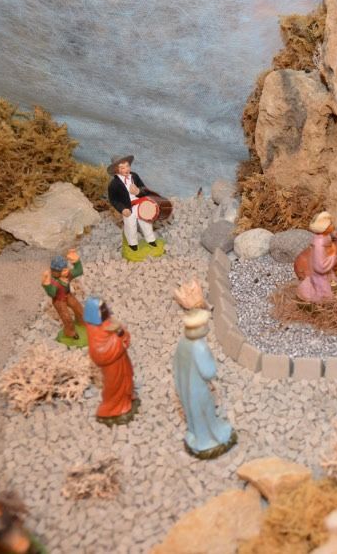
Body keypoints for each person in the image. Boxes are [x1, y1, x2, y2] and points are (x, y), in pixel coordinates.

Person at [172, 294, 237, 459]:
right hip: (198, 388)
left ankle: (198, 435)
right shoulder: (199, 347)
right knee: (204, 411)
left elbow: (176, 365)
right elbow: (208, 371)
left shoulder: (183, 342)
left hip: (186, 387)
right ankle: (208, 439)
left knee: (193, 413)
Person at [84, 297, 137, 425]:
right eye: (101, 309)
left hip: (121, 360)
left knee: (125, 379)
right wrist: (118, 339)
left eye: (104, 308)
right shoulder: (94, 331)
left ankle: (126, 401)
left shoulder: (108, 322)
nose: (105, 310)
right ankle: (110, 411)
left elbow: (121, 333)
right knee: (114, 386)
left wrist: (122, 333)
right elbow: (99, 353)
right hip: (112, 366)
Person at [106, 155, 161, 254]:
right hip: (128, 208)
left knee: (146, 222)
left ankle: (151, 240)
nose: (126, 169)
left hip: (140, 204)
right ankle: (132, 244)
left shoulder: (134, 176)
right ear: (116, 170)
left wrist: (138, 191)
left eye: (127, 166)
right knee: (130, 226)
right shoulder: (114, 184)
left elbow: (144, 189)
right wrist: (122, 209)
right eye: (122, 167)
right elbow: (113, 200)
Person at [41, 248, 84, 345]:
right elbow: (52, 294)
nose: (65, 271)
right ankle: (70, 332)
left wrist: (76, 261)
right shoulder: (53, 281)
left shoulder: (67, 275)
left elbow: (79, 271)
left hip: (68, 295)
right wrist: (47, 285)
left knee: (79, 309)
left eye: (65, 268)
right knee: (67, 318)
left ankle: (81, 322)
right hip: (59, 300)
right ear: (54, 271)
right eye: (61, 270)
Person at [296, 211, 337, 303]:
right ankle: (323, 301)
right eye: (330, 224)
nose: (333, 226)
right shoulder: (319, 244)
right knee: (322, 288)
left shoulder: (326, 237)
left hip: (325, 271)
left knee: (330, 280)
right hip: (319, 274)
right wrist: (333, 255)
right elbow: (320, 266)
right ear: (324, 227)